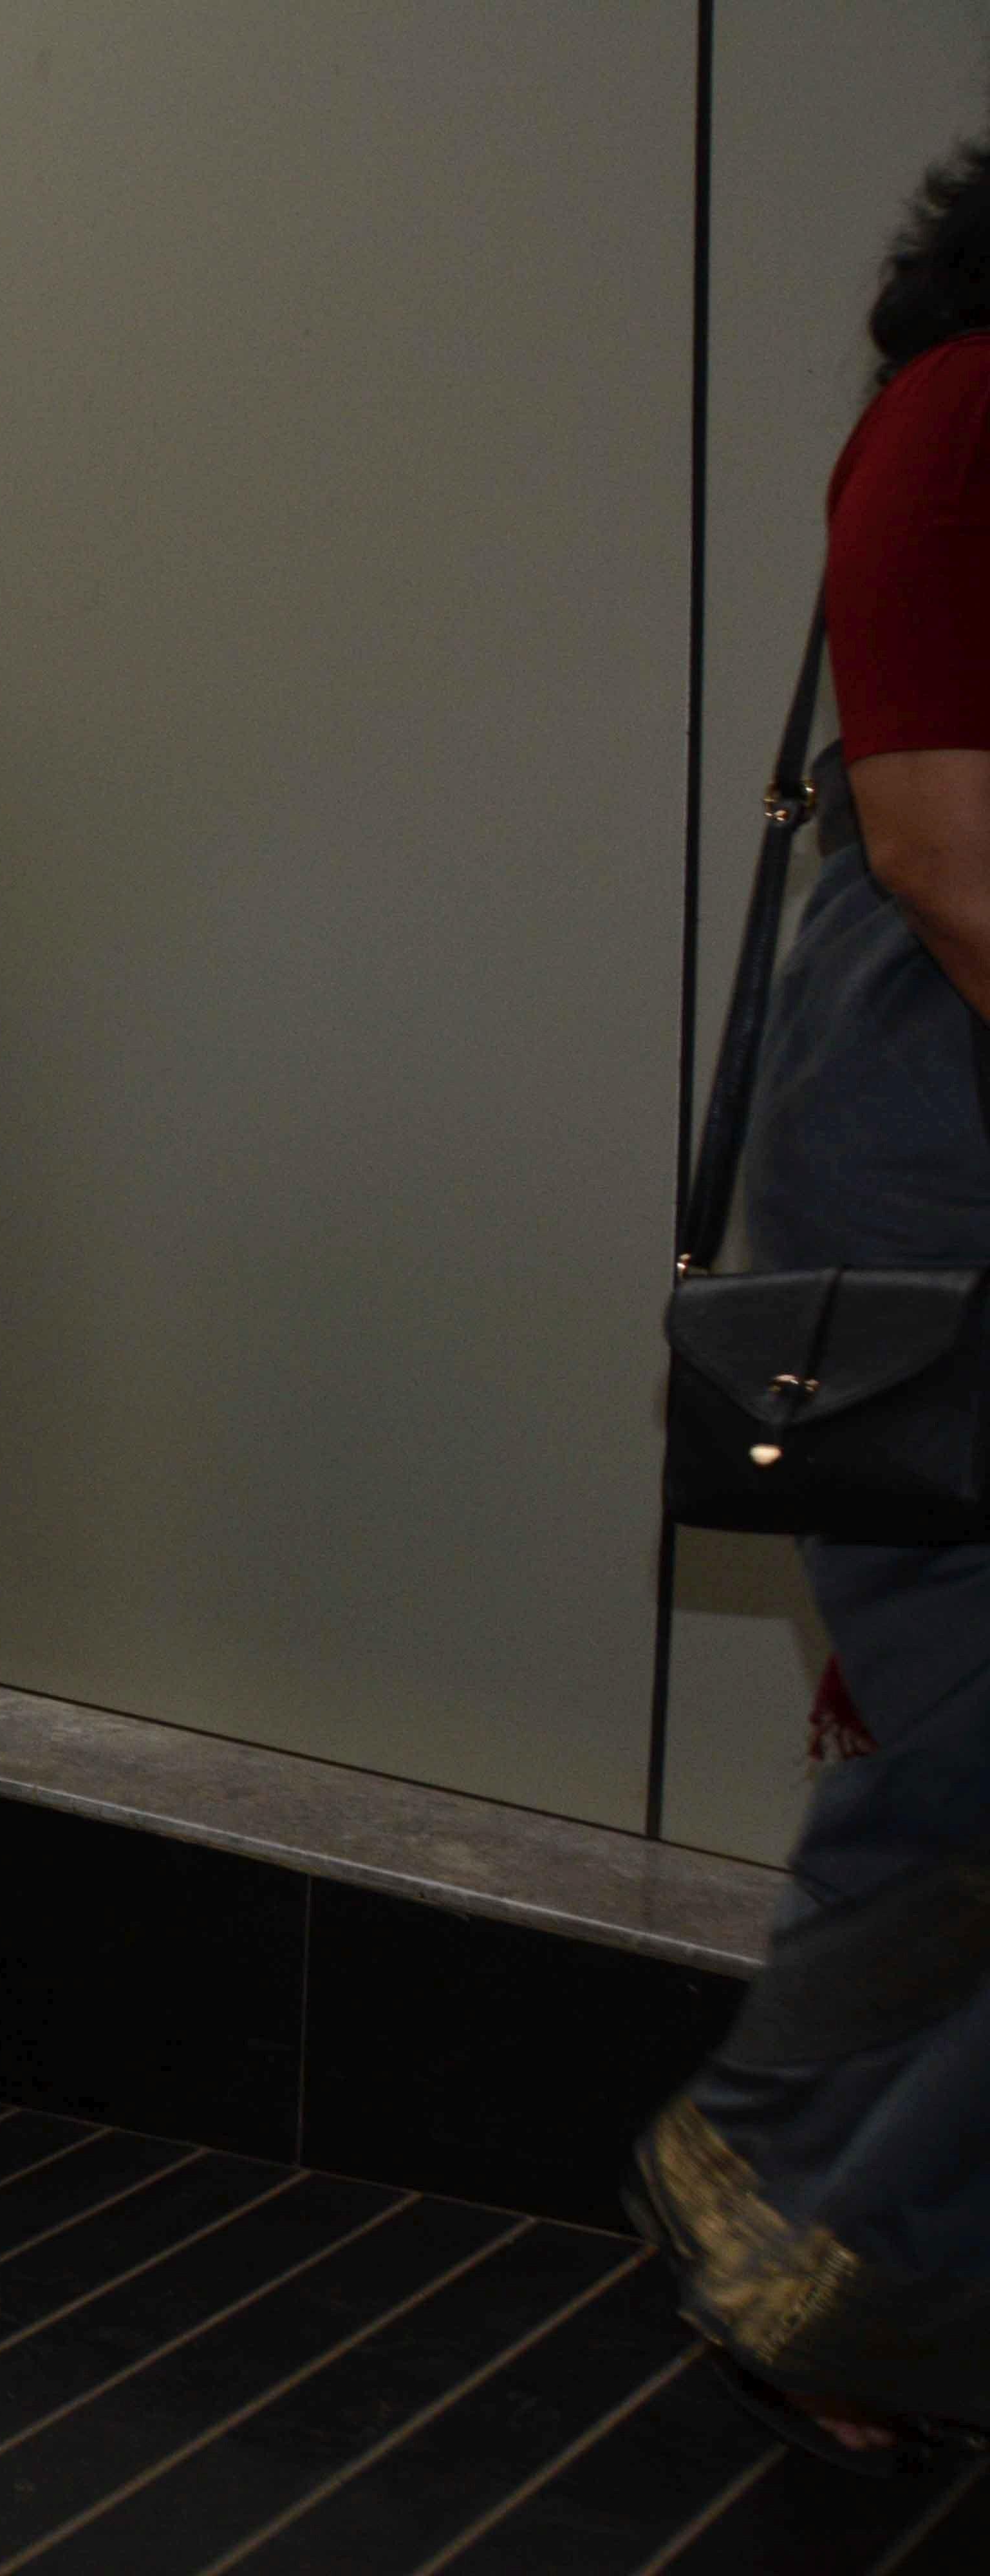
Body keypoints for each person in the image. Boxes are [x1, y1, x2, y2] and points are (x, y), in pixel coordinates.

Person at [628, 138, 990, 2470]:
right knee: (957, 1761)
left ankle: (798, 2202)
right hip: (938, 1221)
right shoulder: (966, 406)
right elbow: (950, 852)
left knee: (946, 1777)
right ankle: (814, 2219)